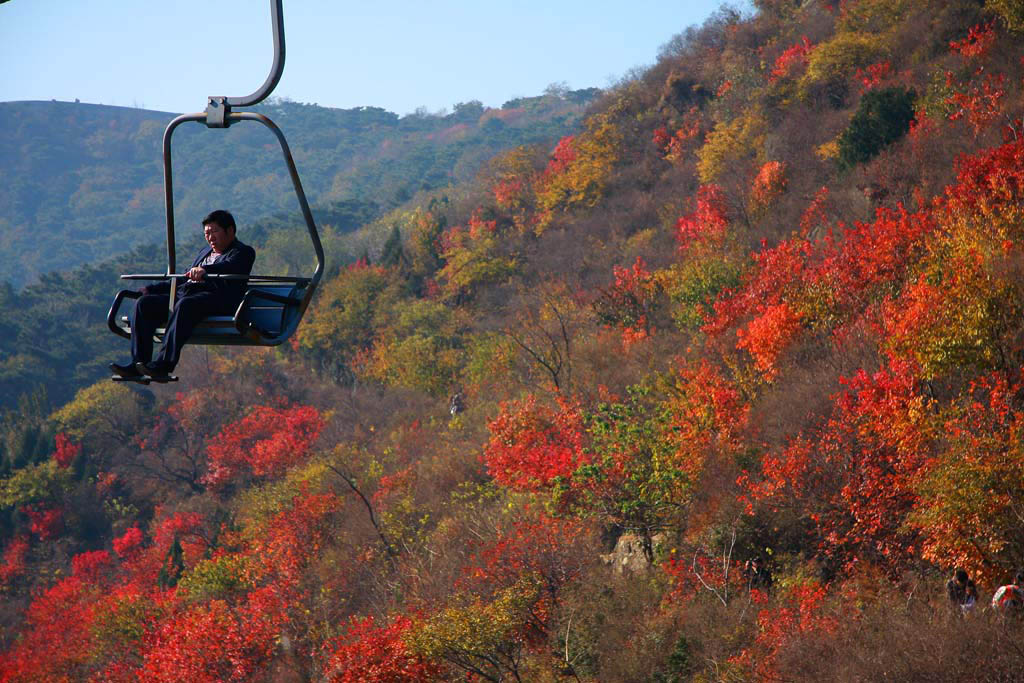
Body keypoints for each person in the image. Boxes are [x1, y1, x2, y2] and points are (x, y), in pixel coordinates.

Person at [110, 210, 255, 380]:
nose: (210, 238)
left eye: (214, 232)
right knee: (145, 304)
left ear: (230, 231)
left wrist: (205, 270)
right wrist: (152, 289)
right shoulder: (205, 253)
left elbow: (230, 267)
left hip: (216, 299)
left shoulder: (242, 252)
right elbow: (184, 278)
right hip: (188, 295)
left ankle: (164, 364)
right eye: (207, 233)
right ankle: (138, 363)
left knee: (185, 305)